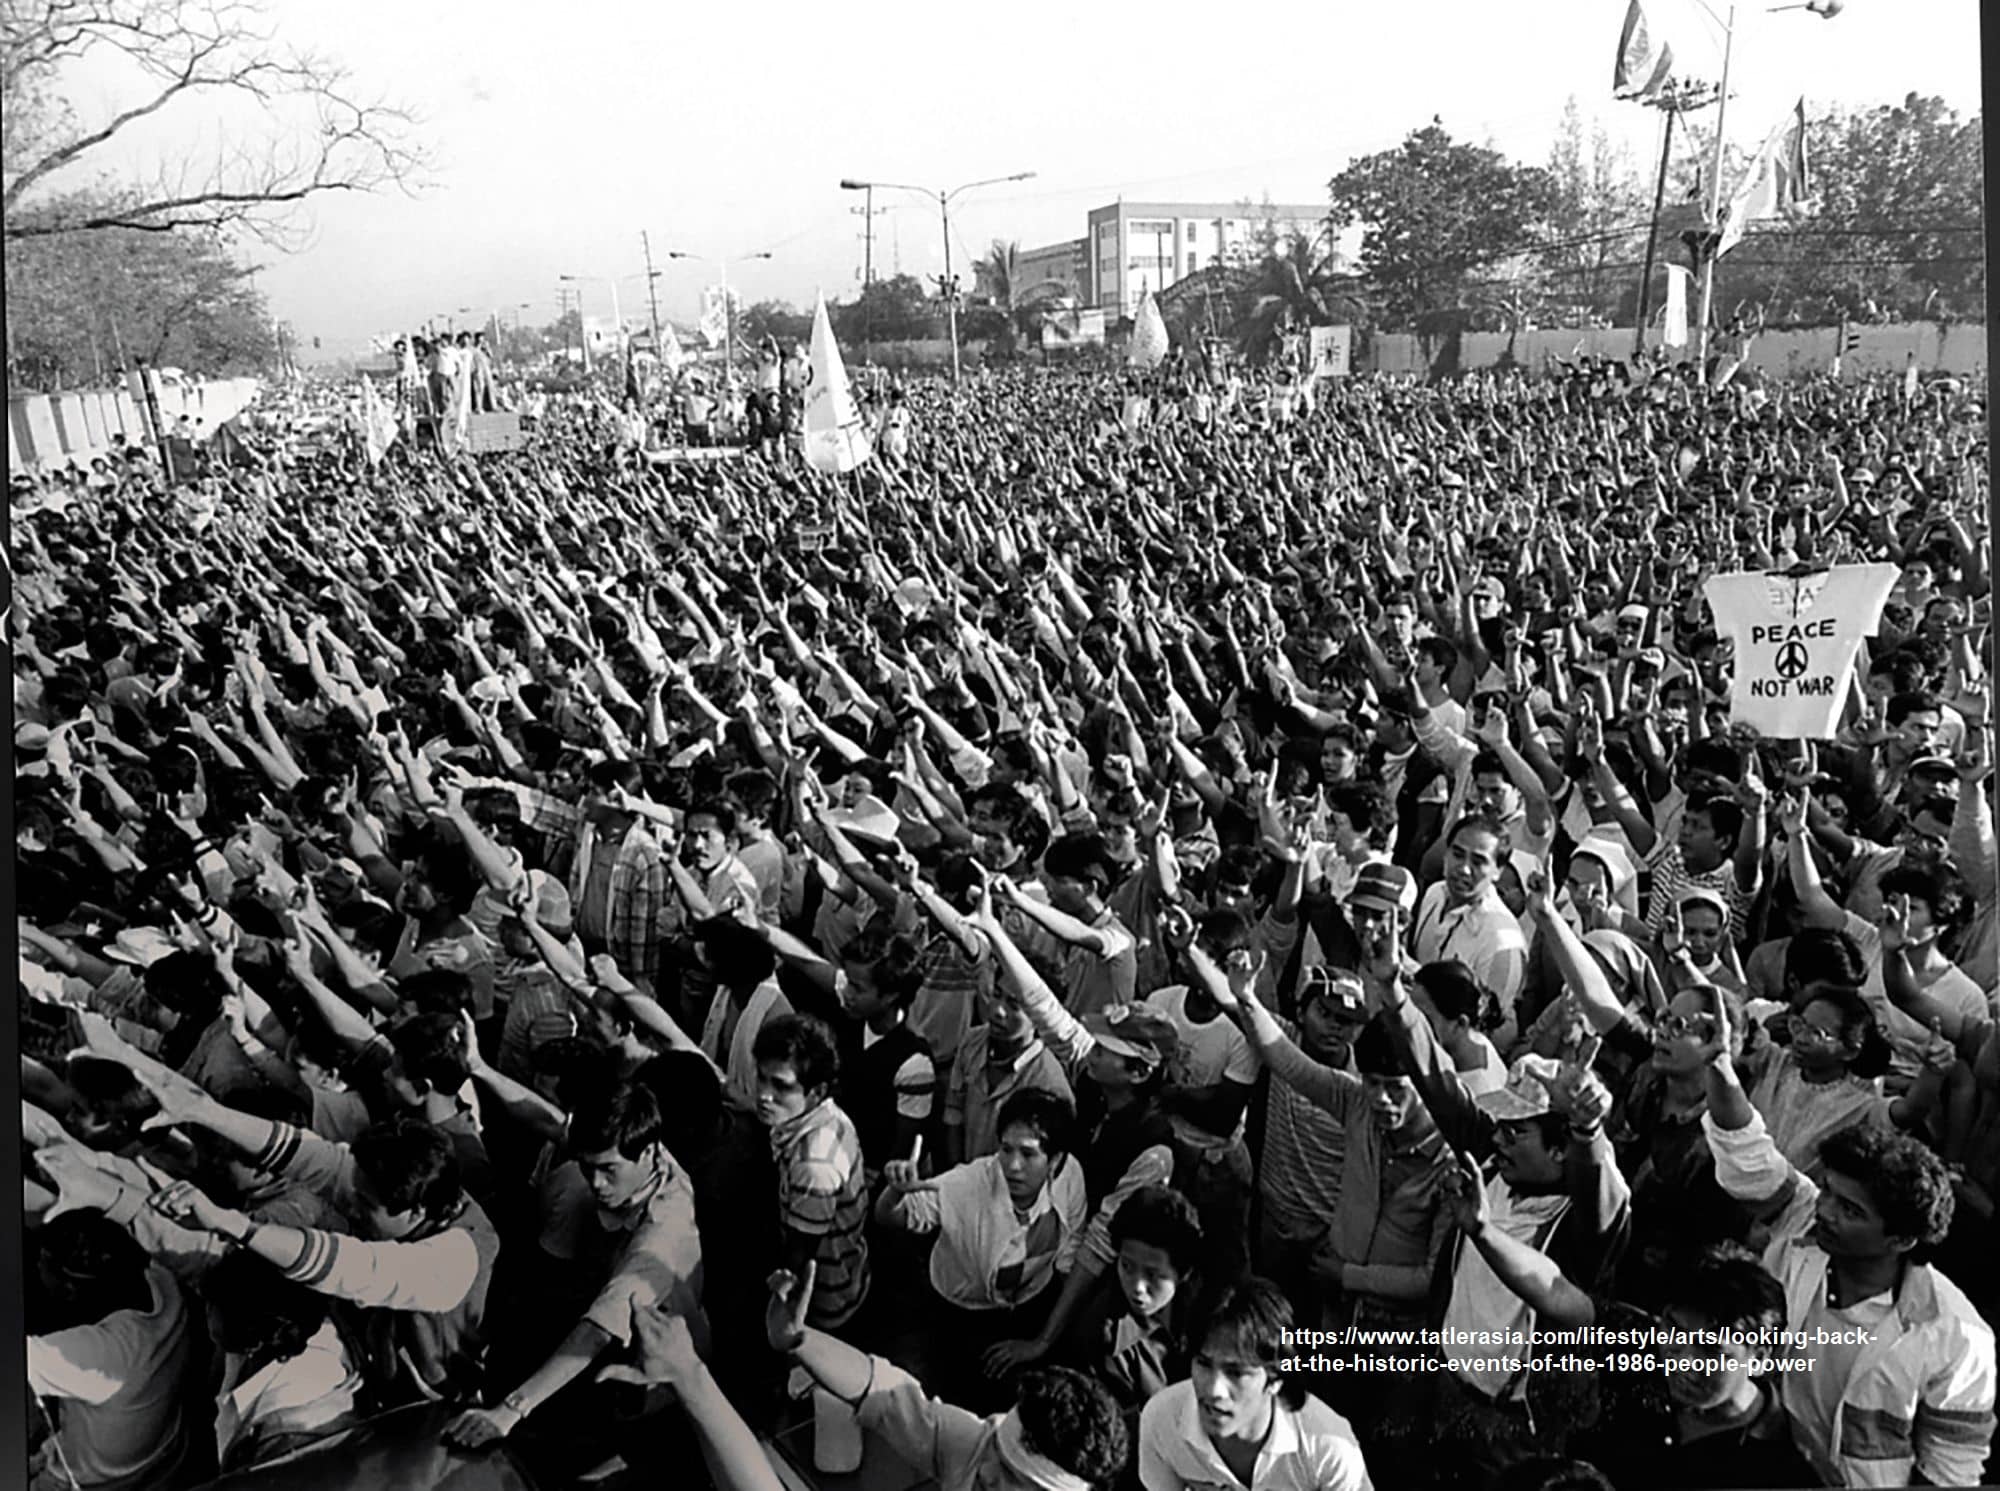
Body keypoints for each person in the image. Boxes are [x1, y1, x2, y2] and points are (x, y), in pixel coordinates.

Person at [1136, 1277, 1373, 1491]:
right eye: (1204, 1364)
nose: (1213, 1389)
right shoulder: (1161, 1419)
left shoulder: (1327, 1444)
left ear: (1275, 1380)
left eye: (1236, 1373)